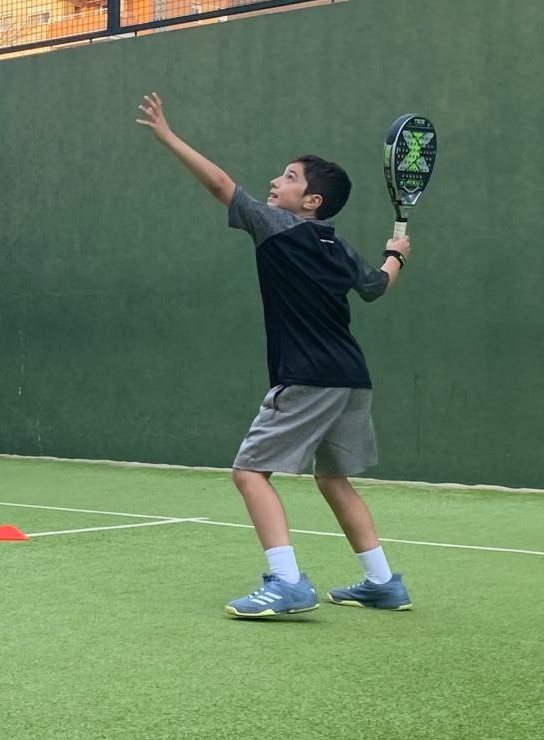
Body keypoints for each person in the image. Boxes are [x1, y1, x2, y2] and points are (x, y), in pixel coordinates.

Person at [137, 92, 413, 618]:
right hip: (351, 378)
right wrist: (395, 254)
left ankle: (287, 582)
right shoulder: (339, 247)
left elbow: (220, 184)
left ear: (311, 201)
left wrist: (167, 135)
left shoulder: (276, 226)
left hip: (308, 377)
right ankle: (383, 582)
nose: (274, 181)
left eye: (288, 177)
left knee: (249, 472)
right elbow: (376, 286)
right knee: (333, 479)